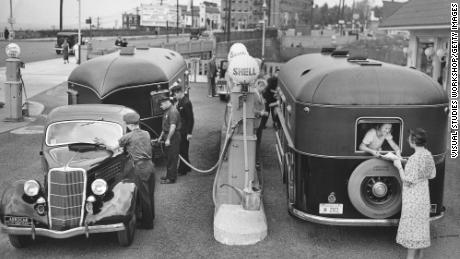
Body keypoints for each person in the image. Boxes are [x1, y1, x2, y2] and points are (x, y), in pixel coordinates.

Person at [95, 112, 155, 229]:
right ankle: (151, 217)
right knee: (150, 193)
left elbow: (113, 148)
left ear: (129, 125)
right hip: (151, 165)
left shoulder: (128, 137)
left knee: (143, 195)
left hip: (140, 167)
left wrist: (103, 143)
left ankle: (147, 224)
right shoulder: (146, 133)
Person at [392, 128, 436, 259]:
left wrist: (398, 165)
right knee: (421, 227)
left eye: (409, 138)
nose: (407, 140)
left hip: (413, 199)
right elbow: (432, 174)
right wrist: (405, 161)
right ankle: (420, 256)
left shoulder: (413, 159)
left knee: (412, 230)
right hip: (423, 196)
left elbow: (407, 181)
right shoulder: (428, 154)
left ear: (413, 141)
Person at [157, 96, 182, 184]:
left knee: (172, 158)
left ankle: (171, 178)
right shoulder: (167, 111)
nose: (160, 106)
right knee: (168, 158)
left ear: (166, 102)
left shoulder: (173, 112)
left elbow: (173, 126)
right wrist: (161, 137)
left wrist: (168, 139)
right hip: (169, 135)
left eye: (161, 104)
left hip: (173, 137)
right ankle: (169, 175)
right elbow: (165, 127)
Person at [171, 84, 195, 175]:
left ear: (179, 92)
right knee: (183, 149)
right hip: (181, 130)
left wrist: (189, 132)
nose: (174, 96)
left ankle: (182, 170)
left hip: (184, 131)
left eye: (175, 94)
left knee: (182, 150)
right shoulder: (181, 101)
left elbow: (190, 118)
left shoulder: (186, 102)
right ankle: (187, 167)